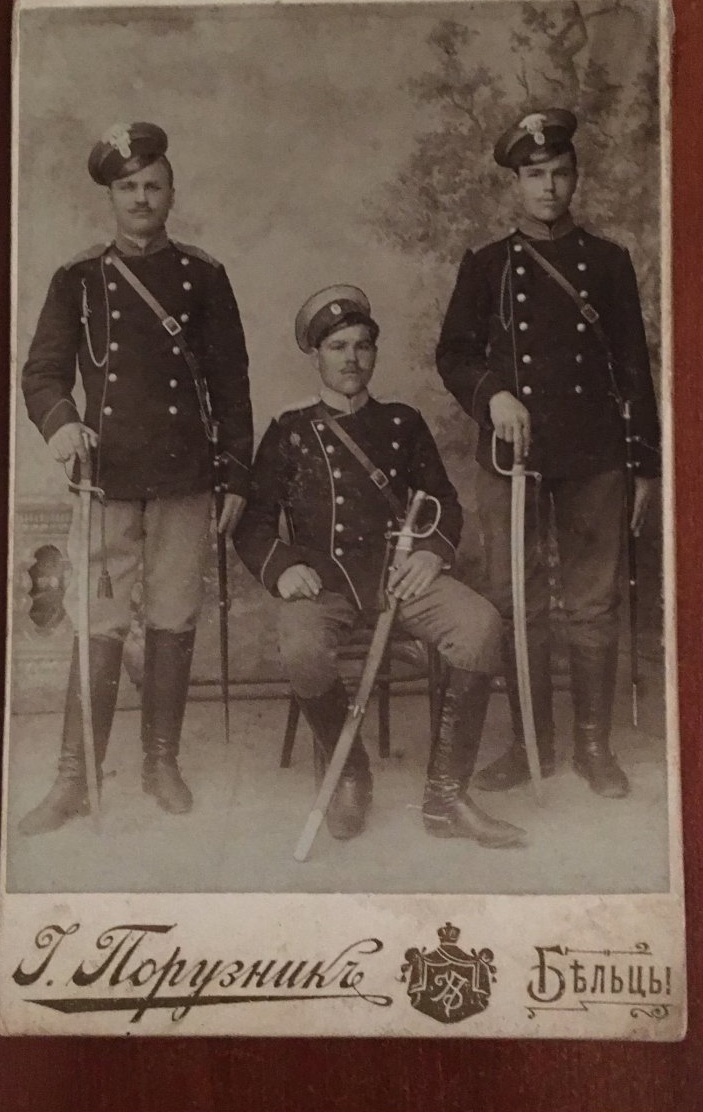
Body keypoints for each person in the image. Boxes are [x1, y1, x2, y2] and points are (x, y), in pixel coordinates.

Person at [19, 122, 253, 833]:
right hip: (106, 479)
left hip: (185, 476)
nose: (141, 197)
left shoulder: (203, 277)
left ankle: (161, 763)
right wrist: (62, 425)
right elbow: (42, 373)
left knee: (173, 618)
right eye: (128, 187)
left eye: (153, 185)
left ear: (171, 193)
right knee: (98, 624)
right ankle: (74, 778)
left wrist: (236, 476)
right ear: (111, 197)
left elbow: (231, 384)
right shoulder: (79, 279)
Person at [234, 285, 526, 848]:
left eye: (362, 346)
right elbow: (254, 522)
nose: (351, 358)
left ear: (373, 353)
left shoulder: (402, 423)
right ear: (316, 356)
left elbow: (445, 503)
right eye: (338, 347)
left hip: (401, 580)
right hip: (324, 584)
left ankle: (446, 798)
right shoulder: (290, 430)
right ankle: (349, 772)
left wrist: (431, 552)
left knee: (481, 624)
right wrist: (282, 569)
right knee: (301, 648)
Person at [436, 109, 660, 799]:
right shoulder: (486, 265)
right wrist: (494, 396)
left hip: (594, 454)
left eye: (560, 173)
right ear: (516, 183)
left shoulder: (608, 262)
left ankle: (593, 746)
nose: (549, 187)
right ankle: (528, 742)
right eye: (535, 175)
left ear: (575, 178)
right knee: (517, 600)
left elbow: (633, 366)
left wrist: (644, 464)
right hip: (513, 457)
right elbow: (453, 354)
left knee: (592, 601)